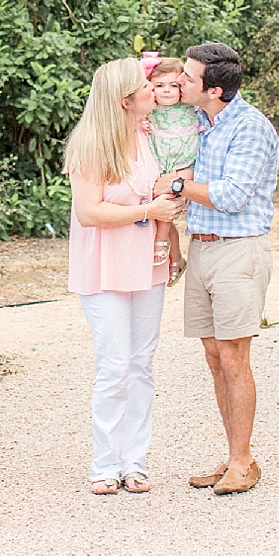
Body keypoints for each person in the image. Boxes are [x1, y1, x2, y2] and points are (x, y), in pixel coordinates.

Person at [157, 41, 279, 496]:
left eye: (188, 78)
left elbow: (231, 195)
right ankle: (233, 457)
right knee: (214, 357)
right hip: (203, 250)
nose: (180, 81)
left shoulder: (249, 127)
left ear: (214, 90)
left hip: (238, 252)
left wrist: (176, 185)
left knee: (233, 357)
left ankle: (243, 462)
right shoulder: (202, 123)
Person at [65, 56, 187, 496]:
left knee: (141, 365)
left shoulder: (150, 136)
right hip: (105, 267)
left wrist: (172, 244)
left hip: (147, 263)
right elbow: (89, 212)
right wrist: (147, 211)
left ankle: (135, 462)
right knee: (114, 365)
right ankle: (104, 464)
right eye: (145, 85)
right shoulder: (90, 146)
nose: (153, 89)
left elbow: (163, 191)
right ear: (124, 99)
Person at [144, 54, 201, 279]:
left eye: (173, 85)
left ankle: (160, 241)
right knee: (160, 210)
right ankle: (176, 257)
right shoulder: (150, 109)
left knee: (166, 199)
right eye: (159, 85)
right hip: (159, 163)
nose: (167, 91)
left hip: (184, 163)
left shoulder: (191, 107)